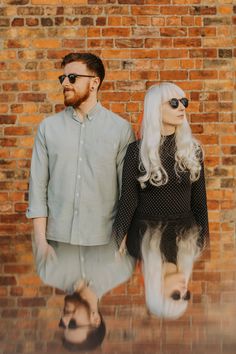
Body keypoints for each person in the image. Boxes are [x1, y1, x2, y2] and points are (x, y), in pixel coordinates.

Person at [26, 52, 135, 349]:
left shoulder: (121, 130)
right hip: (57, 239)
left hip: (104, 238)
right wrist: (41, 240)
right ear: (95, 319)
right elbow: (37, 188)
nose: (65, 83)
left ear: (95, 82)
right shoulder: (48, 129)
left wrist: (122, 235)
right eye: (64, 77)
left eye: (73, 78)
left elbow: (128, 191)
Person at [113, 82, 209, 319]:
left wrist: (205, 242)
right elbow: (128, 201)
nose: (182, 108)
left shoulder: (192, 151)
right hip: (144, 236)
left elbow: (199, 204)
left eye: (184, 102)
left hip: (185, 234)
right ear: (156, 109)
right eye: (174, 103)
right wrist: (114, 242)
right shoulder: (136, 152)